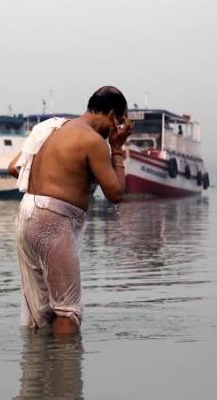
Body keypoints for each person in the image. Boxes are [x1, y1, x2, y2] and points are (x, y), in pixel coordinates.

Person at [8, 86, 133, 335]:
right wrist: (117, 148)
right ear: (112, 115)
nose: (118, 129)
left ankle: (39, 360)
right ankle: (65, 361)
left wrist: (61, 177)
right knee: (67, 312)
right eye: (120, 122)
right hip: (52, 221)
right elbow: (116, 194)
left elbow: (14, 168)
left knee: (40, 313)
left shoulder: (53, 128)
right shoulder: (92, 141)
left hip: (27, 214)